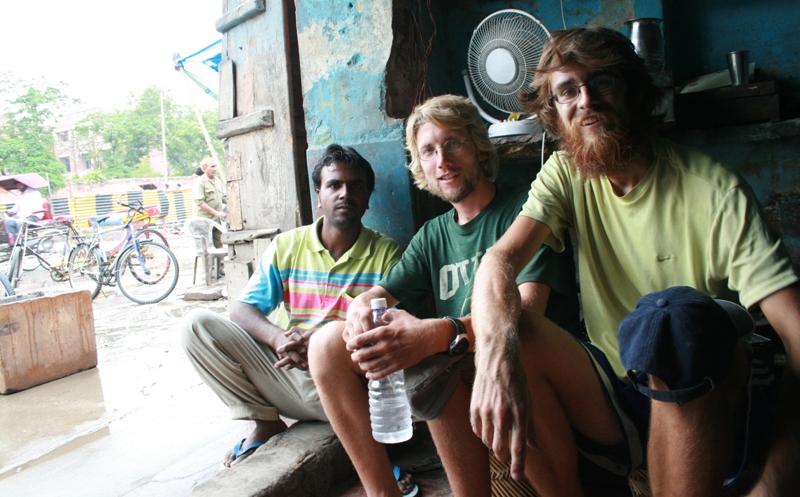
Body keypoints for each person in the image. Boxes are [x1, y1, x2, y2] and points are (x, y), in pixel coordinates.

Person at [469, 25, 800, 496]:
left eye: (602, 81)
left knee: (670, 316)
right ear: (554, 115)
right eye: (567, 90)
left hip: (706, 393)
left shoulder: (714, 190)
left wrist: (776, 479)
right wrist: (495, 356)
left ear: (635, 92)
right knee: (513, 324)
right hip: (618, 394)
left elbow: (796, 334)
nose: (586, 100)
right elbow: (498, 261)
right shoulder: (566, 173)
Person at [308, 95, 581, 496]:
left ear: (478, 147)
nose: (443, 161)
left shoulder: (523, 210)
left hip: (535, 372)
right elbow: (378, 294)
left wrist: (436, 335)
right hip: (462, 383)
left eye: (453, 143)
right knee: (326, 345)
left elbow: (527, 313)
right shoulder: (434, 234)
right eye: (429, 151)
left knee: (455, 354)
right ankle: (383, 491)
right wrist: (362, 314)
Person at [182, 145, 401, 468]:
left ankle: (375, 457)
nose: (345, 194)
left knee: (348, 345)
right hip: (286, 376)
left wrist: (324, 343)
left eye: (356, 186)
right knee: (196, 325)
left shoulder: (387, 254)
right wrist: (279, 339)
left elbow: (389, 331)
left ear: (368, 198)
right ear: (319, 195)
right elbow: (243, 309)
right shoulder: (287, 245)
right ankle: (265, 421)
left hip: (348, 390)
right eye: (334, 185)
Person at [193, 157, 227, 248]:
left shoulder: (217, 181)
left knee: (219, 245)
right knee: (206, 248)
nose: (215, 168)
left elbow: (223, 198)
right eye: (212, 166)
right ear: (204, 169)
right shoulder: (200, 182)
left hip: (216, 221)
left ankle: (220, 263)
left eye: (215, 166)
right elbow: (199, 201)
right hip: (204, 221)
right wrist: (216, 213)